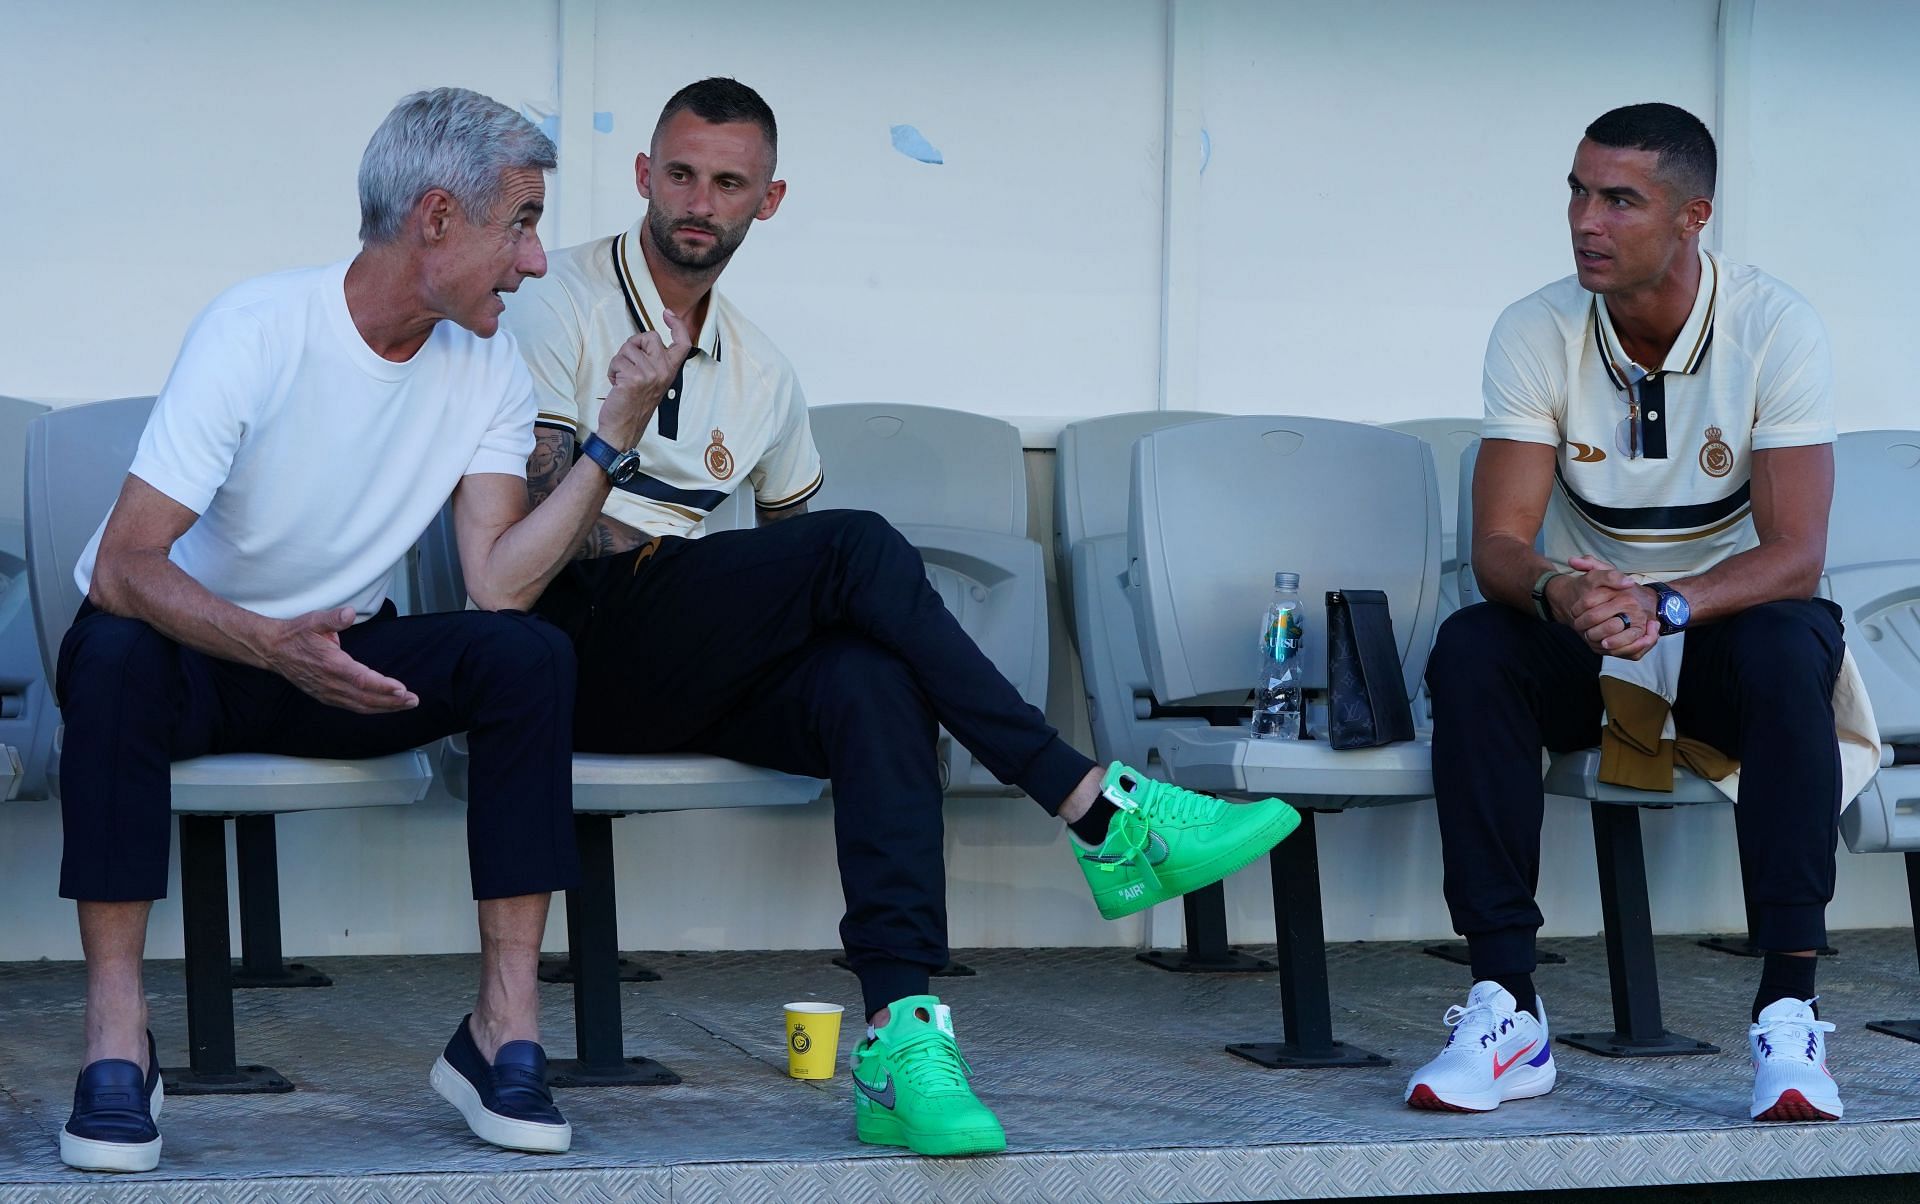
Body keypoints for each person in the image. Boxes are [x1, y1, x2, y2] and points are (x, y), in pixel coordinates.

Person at [503, 77, 1299, 1157]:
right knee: (861, 543)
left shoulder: (764, 369)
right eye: (680, 174)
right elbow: (528, 538)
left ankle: (902, 1035)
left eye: (728, 182)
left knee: (869, 682)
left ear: (767, 201)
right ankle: (1096, 807)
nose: (700, 200)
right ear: (644, 175)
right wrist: (621, 425)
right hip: (560, 649)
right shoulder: (560, 302)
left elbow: (808, 592)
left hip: (679, 656)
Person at [55, 87, 689, 1172]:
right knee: (109, 649)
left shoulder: (488, 366)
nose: (535, 262)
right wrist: (266, 641)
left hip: (342, 662)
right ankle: (119, 1041)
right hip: (198, 656)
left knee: (527, 654)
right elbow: (123, 563)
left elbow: (498, 586)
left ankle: (502, 1030)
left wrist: (609, 442)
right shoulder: (257, 328)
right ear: (436, 219)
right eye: (521, 224)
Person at [1407, 103, 1853, 1122]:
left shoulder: (1775, 326)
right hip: (1588, 638)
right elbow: (1499, 548)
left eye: (1619, 199)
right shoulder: (1536, 325)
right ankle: (1506, 1004)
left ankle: (1790, 1014)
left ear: (1692, 215)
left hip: (1717, 643)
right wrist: (1564, 590)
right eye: (1576, 191)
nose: (1585, 221)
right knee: (1475, 647)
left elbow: (1797, 554)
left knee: (1796, 642)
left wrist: (1671, 601)